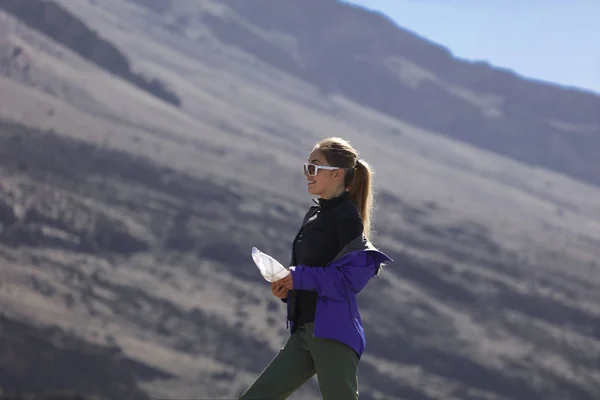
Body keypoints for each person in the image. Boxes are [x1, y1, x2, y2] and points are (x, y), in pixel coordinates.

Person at [239, 137, 392, 400]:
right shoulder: (315, 215)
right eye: (306, 166)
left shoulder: (346, 218)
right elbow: (312, 274)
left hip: (332, 334)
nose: (307, 173)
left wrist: (295, 277)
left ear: (337, 174)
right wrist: (287, 289)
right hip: (304, 333)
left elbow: (348, 281)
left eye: (314, 167)